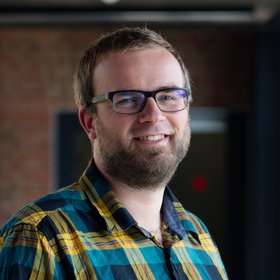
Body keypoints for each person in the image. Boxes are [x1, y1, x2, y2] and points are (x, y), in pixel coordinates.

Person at [0, 27, 227, 279]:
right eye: (128, 99)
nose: (153, 115)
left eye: (169, 96)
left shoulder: (199, 237)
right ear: (90, 122)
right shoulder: (41, 238)